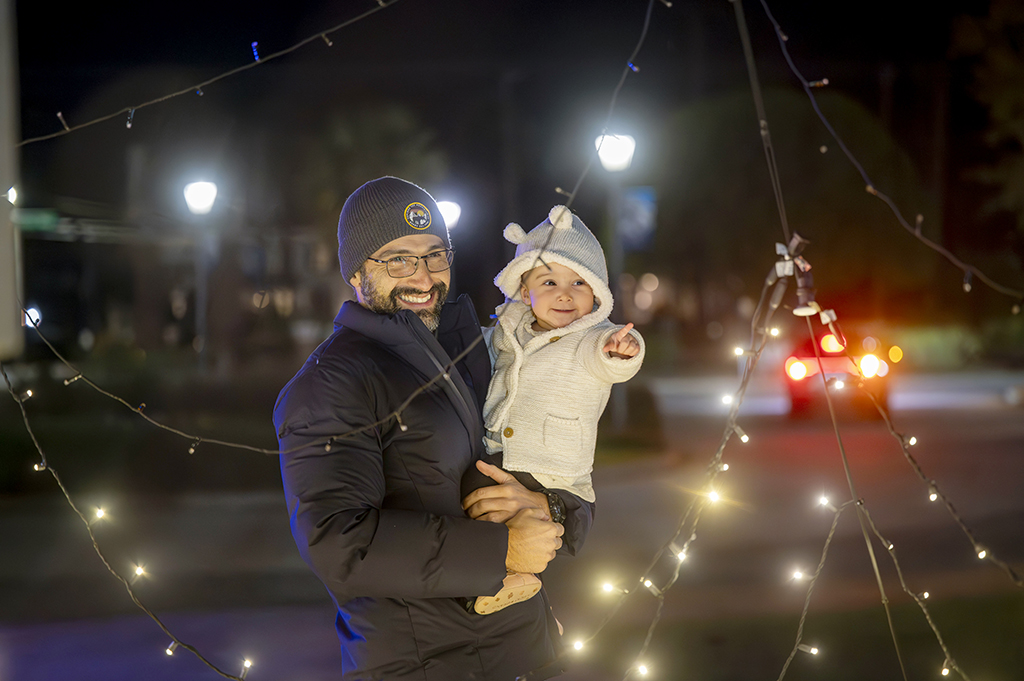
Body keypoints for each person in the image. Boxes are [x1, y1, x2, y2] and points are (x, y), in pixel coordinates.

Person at [274, 177, 594, 681]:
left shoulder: (477, 351)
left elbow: (559, 455)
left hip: (528, 650)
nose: (423, 278)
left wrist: (550, 508)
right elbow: (337, 542)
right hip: (425, 664)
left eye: (434, 255)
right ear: (357, 271)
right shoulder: (330, 384)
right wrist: (501, 551)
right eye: (398, 259)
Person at [461, 205, 644, 615]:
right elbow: (476, 352)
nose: (565, 293)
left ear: (596, 292)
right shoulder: (507, 333)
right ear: (525, 291)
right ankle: (514, 592)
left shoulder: (592, 339)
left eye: (579, 282)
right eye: (549, 281)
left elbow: (611, 359)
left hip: (552, 468)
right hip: (500, 454)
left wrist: (622, 351)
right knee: (480, 511)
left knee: (509, 523)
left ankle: (515, 583)